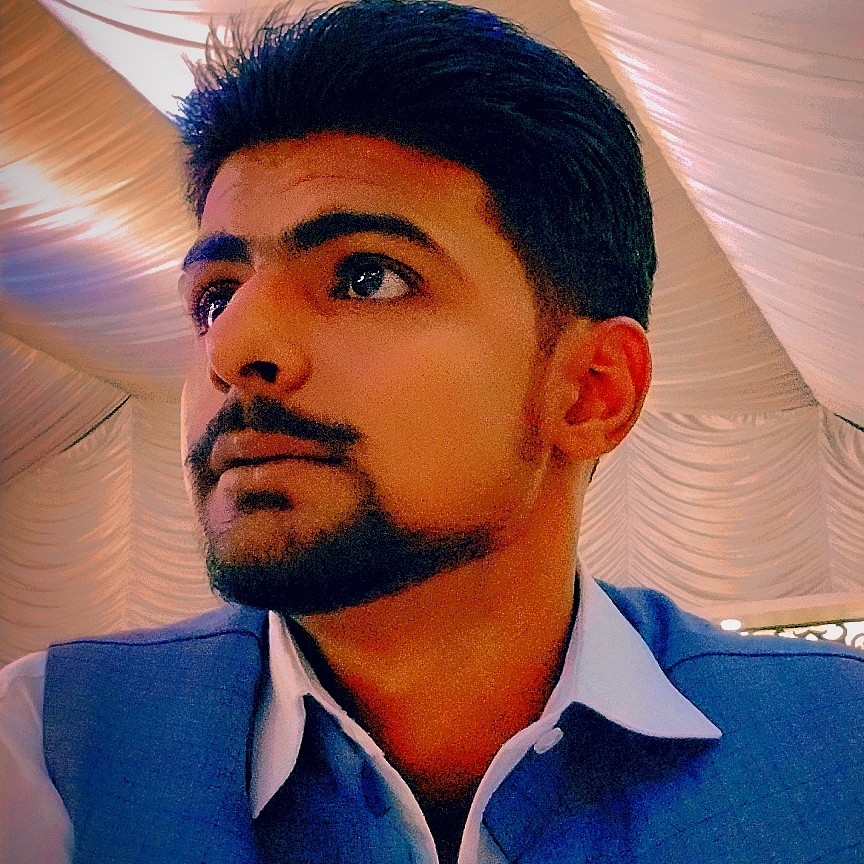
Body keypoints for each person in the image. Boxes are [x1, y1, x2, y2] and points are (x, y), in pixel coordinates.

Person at [1, 1, 862, 862]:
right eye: (216, 296)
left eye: (366, 277)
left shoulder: (839, 751)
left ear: (591, 391)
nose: (232, 349)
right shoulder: (50, 750)